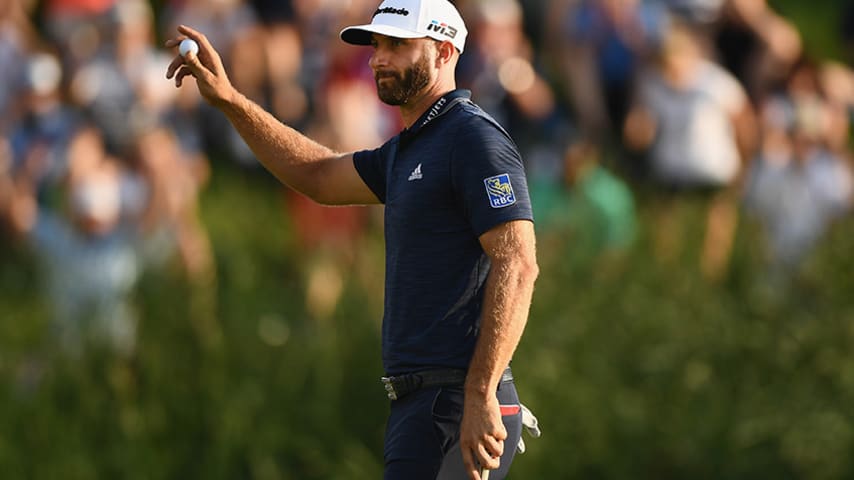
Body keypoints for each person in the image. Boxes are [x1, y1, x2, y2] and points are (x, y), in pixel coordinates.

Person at [164, 1, 539, 479]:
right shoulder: (408, 150)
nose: (379, 58)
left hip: (458, 400)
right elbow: (318, 175)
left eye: (398, 45)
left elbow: (518, 264)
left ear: (445, 51)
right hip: (421, 404)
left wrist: (480, 392)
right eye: (378, 45)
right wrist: (232, 101)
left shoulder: (473, 140)